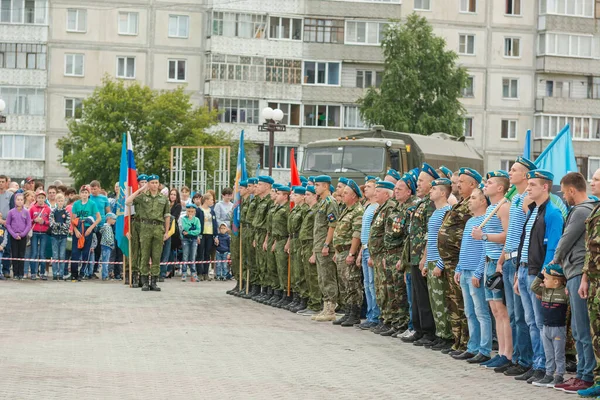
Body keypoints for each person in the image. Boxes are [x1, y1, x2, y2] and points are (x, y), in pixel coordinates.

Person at [515, 169, 564, 384]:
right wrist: (518, 272)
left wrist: (544, 277)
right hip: (525, 270)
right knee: (530, 321)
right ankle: (537, 363)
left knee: (541, 323)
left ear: (545, 187)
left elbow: (553, 249)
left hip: (538, 273)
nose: (528, 188)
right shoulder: (532, 211)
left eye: (532, 184)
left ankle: (546, 366)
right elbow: (524, 244)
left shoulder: (552, 213)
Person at [549, 172, 596, 393]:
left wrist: (553, 262)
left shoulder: (581, 210)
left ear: (570, 190)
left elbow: (566, 239)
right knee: (578, 327)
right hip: (575, 273)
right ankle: (583, 373)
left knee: (581, 328)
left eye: (564, 192)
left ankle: (585, 375)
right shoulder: (587, 209)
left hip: (579, 272)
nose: (564, 196)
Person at [499, 157, 536, 378]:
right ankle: (516, 357)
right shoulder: (516, 199)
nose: (510, 173)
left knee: (522, 316)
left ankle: (526, 360)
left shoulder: (527, 200)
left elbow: (527, 235)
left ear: (526, 175)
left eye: (514, 170)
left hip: (520, 260)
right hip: (510, 258)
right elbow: (512, 234)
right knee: (513, 315)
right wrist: (502, 258)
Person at [438, 167, 479, 354]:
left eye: (461, 182)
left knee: (463, 304)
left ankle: (466, 342)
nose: (458, 185)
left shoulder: (472, 205)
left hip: (461, 260)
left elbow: (469, 234)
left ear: (473, 185)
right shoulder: (460, 203)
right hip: (451, 261)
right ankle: (458, 341)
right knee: (454, 303)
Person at [473, 171, 511, 367]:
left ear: (500, 188)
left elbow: (508, 236)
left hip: (497, 261)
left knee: (502, 310)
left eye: (490, 183)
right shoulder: (491, 209)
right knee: (495, 309)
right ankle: (500, 352)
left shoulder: (503, 207)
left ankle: (507, 354)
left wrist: (485, 237)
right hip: (488, 261)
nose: (485, 186)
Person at [453, 185, 492, 362]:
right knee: (469, 311)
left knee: (481, 312)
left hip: (476, 273)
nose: (470, 201)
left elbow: (486, 249)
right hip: (465, 271)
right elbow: (465, 248)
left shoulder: (487, 220)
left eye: (474, 198)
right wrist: (459, 268)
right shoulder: (470, 221)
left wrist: (478, 272)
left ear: (483, 201)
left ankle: (484, 349)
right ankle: (473, 346)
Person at [401, 163, 437, 346]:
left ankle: (428, 331)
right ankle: (419, 328)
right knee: (416, 296)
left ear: (432, 183)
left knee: (424, 296)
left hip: (423, 257)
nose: (418, 183)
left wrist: (424, 256)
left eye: (422, 181)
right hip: (414, 257)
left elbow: (429, 233)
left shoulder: (431, 204)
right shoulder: (421, 203)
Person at [126, 175, 170, 291]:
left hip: (158, 228)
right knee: (144, 255)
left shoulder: (164, 198)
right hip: (145, 228)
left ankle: (154, 282)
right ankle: (144, 281)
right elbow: (128, 201)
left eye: (156, 182)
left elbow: (167, 216)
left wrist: (166, 232)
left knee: (156, 255)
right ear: (148, 184)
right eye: (152, 183)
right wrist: (140, 189)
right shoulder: (142, 197)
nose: (154, 185)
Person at [578, 167, 600, 397]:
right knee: (596, 333)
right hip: (594, 281)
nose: (591, 183)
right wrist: (585, 278)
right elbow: (589, 250)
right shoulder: (595, 210)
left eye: (595, 180)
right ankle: (598, 380)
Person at [425, 178, 453, 351]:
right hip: (431, 260)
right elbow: (431, 238)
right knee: (434, 301)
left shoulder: (447, 211)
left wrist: (440, 264)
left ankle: (447, 336)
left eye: (434, 189)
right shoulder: (436, 212)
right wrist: (424, 260)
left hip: (439, 261)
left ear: (443, 193)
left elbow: (447, 241)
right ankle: (439, 333)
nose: (430, 191)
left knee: (442, 300)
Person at [331, 180, 364, 327]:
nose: (342, 195)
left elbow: (356, 234)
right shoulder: (346, 209)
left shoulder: (357, 211)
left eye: (346, 193)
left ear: (354, 196)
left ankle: (354, 314)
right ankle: (347, 312)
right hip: (341, 252)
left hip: (348, 251)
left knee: (352, 284)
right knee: (344, 284)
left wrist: (351, 253)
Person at [530, 265, 568, 388]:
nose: (543, 281)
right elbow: (533, 287)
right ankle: (549, 374)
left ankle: (559, 375)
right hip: (546, 328)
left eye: (546, 279)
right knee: (549, 353)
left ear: (556, 281)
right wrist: (541, 274)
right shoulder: (544, 291)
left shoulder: (564, 292)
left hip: (558, 328)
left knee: (559, 354)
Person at [368, 180, 397, 334]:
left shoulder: (390, 208)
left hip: (384, 255)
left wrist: (385, 254)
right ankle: (384, 318)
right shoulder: (380, 208)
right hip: (377, 255)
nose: (375, 193)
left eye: (378, 191)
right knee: (380, 288)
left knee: (386, 289)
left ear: (386, 194)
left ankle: (389, 320)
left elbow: (389, 234)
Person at [312, 175, 340, 322]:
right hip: (318, 245)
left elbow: (332, 225)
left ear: (325, 186)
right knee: (322, 277)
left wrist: (326, 244)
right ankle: (325, 307)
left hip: (325, 246)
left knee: (328, 277)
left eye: (317, 185)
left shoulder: (330, 202)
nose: (315, 187)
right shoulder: (322, 203)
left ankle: (331, 309)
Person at [356, 176, 381, 330]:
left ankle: (375, 316)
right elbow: (364, 233)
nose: (365, 189)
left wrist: (371, 253)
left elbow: (375, 234)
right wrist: (360, 252)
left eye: (369, 187)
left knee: (373, 284)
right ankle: (370, 315)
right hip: (364, 249)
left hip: (371, 250)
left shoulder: (377, 207)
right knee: (367, 284)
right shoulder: (367, 206)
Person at [296, 185, 321, 316]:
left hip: (312, 244)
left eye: (308, 194)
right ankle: (311, 302)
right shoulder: (308, 210)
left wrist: (314, 252)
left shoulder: (317, 210)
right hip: (305, 244)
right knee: (307, 275)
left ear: (315, 196)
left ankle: (316, 304)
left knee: (313, 276)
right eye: (304, 194)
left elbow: (317, 232)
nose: (305, 197)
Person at [286, 186, 309, 312]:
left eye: (295, 195)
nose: (291, 196)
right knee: (295, 271)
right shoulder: (295, 209)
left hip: (300, 240)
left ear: (302, 196)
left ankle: (303, 298)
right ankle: (296, 297)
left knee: (300, 271)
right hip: (293, 240)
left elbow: (303, 228)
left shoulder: (304, 209)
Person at [248, 176, 273, 298]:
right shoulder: (260, 200)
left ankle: (268, 291)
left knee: (266, 264)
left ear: (267, 186)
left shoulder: (269, 201)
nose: (257, 186)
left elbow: (268, 222)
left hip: (265, 233)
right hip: (257, 233)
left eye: (260, 184)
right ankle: (262, 289)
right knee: (259, 263)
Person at [70, 185, 101, 282]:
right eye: (82, 192)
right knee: (75, 252)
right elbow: (73, 219)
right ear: (80, 194)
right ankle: (73, 273)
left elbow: (98, 218)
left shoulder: (92, 204)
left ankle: (82, 273)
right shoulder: (76, 204)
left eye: (86, 192)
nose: (84, 194)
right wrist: (75, 230)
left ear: (88, 194)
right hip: (78, 227)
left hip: (87, 228)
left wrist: (91, 228)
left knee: (86, 252)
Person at [270, 186, 291, 307]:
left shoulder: (287, 209)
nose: (276, 195)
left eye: (278, 194)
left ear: (285, 196)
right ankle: (281, 293)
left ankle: (287, 295)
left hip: (284, 240)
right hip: (277, 239)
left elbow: (290, 229)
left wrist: (288, 242)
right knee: (278, 268)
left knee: (284, 268)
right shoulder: (279, 208)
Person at [6, 193, 31, 280]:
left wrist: (23, 234)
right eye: (18, 199)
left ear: (23, 201)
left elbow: (28, 224)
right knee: (15, 254)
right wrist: (14, 234)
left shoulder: (26, 212)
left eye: (21, 200)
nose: (19, 201)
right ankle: (15, 273)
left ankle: (21, 273)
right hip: (13, 236)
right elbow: (8, 224)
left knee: (21, 254)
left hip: (23, 236)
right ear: (15, 201)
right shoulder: (11, 212)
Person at [90, 180, 111, 279]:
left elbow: (108, 212)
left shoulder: (104, 198)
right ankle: (88, 270)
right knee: (91, 249)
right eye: (92, 189)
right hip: (91, 226)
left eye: (95, 189)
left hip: (101, 226)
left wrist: (108, 223)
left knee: (99, 249)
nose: (93, 191)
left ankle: (95, 269)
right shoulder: (89, 198)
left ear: (99, 188)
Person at [29, 191, 51, 280]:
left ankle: (42, 273)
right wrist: (34, 220)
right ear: (36, 198)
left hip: (44, 233)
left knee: (42, 253)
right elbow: (28, 221)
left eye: (42, 198)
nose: (41, 199)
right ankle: (33, 273)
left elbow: (51, 222)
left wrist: (44, 222)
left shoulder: (48, 209)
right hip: (34, 232)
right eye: (39, 197)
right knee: (34, 253)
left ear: (45, 199)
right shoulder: (32, 208)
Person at [49, 193, 70, 280]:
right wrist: (60, 224)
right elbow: (51, 224)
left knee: (62, 255)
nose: (60, 202)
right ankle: (54, 273)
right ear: (56, 201)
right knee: (55, 255)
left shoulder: (66, 212)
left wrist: (59, 224)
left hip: (63, 236)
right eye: (59, 200)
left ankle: (61, 274)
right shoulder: (53, 212)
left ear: (64, 201)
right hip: (54, 236)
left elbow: (67, 224)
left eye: (62, 201)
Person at [180, 203, 201, 282]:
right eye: (189, 211)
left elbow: (198, 231)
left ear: (195, 212)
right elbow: (184, 228)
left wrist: (189, 232)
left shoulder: (197, 220)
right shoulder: (184, 219)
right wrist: (190, 222)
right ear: (186, 212)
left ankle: (193, 273)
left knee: (193, 256)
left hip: (194, 239)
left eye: (192, 211)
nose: (190, 213)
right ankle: (184, 272)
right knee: (185, 256)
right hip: (185, 240)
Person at [0, 175, 13, 278]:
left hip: (7, 224)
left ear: (6, 183)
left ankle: (6, 270)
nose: (1, 183)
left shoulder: (10, 195)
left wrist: (5, 222)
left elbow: (13, 211)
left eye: (2, 181)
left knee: (7, 248)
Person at [99, 213, 116, 281]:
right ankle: (105, 276)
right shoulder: (108, 227)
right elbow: (108, 237)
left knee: (105, 261)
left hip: (105, 246)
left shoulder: (105, 227)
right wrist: (111, 244)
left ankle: (105, 275)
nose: (115, 221)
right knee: (105, 261)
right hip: (107, 246)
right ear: (109, 219)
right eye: (114, 219)